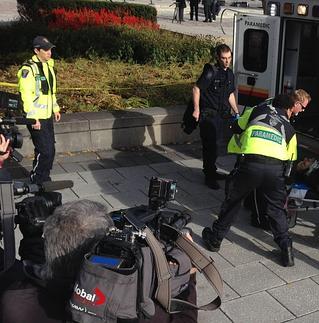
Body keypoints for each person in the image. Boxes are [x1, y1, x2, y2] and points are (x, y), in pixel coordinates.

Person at [0, 200, 198, 322]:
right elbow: (185, 319)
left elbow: (43, 275)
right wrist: (186, 280)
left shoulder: (14, 302)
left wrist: (33, 238)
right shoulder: (138, 311)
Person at [202, 94, 303, 267]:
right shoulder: (289, 128)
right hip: (275, 168)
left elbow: (236, 126)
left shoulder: (257, 110)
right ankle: (286, 247)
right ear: (287, 109)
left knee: (233, 202)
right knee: (276, 209)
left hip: (251, 164)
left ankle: (215, 239)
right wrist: (284, 184)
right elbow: (291, 161)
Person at [238, 90, 311, 229]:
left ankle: (250, 206)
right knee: (257, 186)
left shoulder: (281, 106)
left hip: (252, 144)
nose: (302, 111)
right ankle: (257, 218)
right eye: (302, 107)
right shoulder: (277, 108)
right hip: (252, 147)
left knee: (254, 183)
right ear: (295, 103)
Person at [191, 44, 239, 190]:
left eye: (229, 58)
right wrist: (197, 110)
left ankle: (212, 171)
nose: (227, 61)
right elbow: (196, 89)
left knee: (218, 146)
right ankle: (209, 176)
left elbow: (230, 94)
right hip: (209, 115)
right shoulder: (211, 71)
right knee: (210, 146)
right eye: (224, 58)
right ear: (218, 58)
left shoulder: (229, 73)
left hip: (222, 116)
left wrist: (236, 112)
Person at [18, 36, 62, 185]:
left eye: (50, 49)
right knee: (45, 150)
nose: (49, 52)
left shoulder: (49, 66)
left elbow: (50, 92)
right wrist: (32, 117)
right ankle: (37, 179)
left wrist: (55, 108)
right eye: (46, 49)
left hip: (47, 115)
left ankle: (45, 177)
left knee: (51, 150)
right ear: (37, 51)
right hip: (36, 117)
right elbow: (26, 95)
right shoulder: (28, 69)